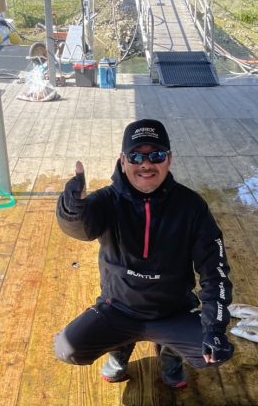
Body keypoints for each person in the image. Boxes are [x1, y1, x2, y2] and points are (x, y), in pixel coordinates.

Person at [54, 118, 234, 388]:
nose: (146, 165)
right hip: (118, 309)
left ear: (169, 160)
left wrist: (215, 328)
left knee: (216, 353)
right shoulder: (106, 200)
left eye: (156, 155)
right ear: (123, 161)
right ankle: (120, 348)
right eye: (136, 156)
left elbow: (215, 272)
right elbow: (82, 229)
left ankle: (170, 354)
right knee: (67, 348)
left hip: (173, 312)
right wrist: (72, 207)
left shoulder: (192, 206)